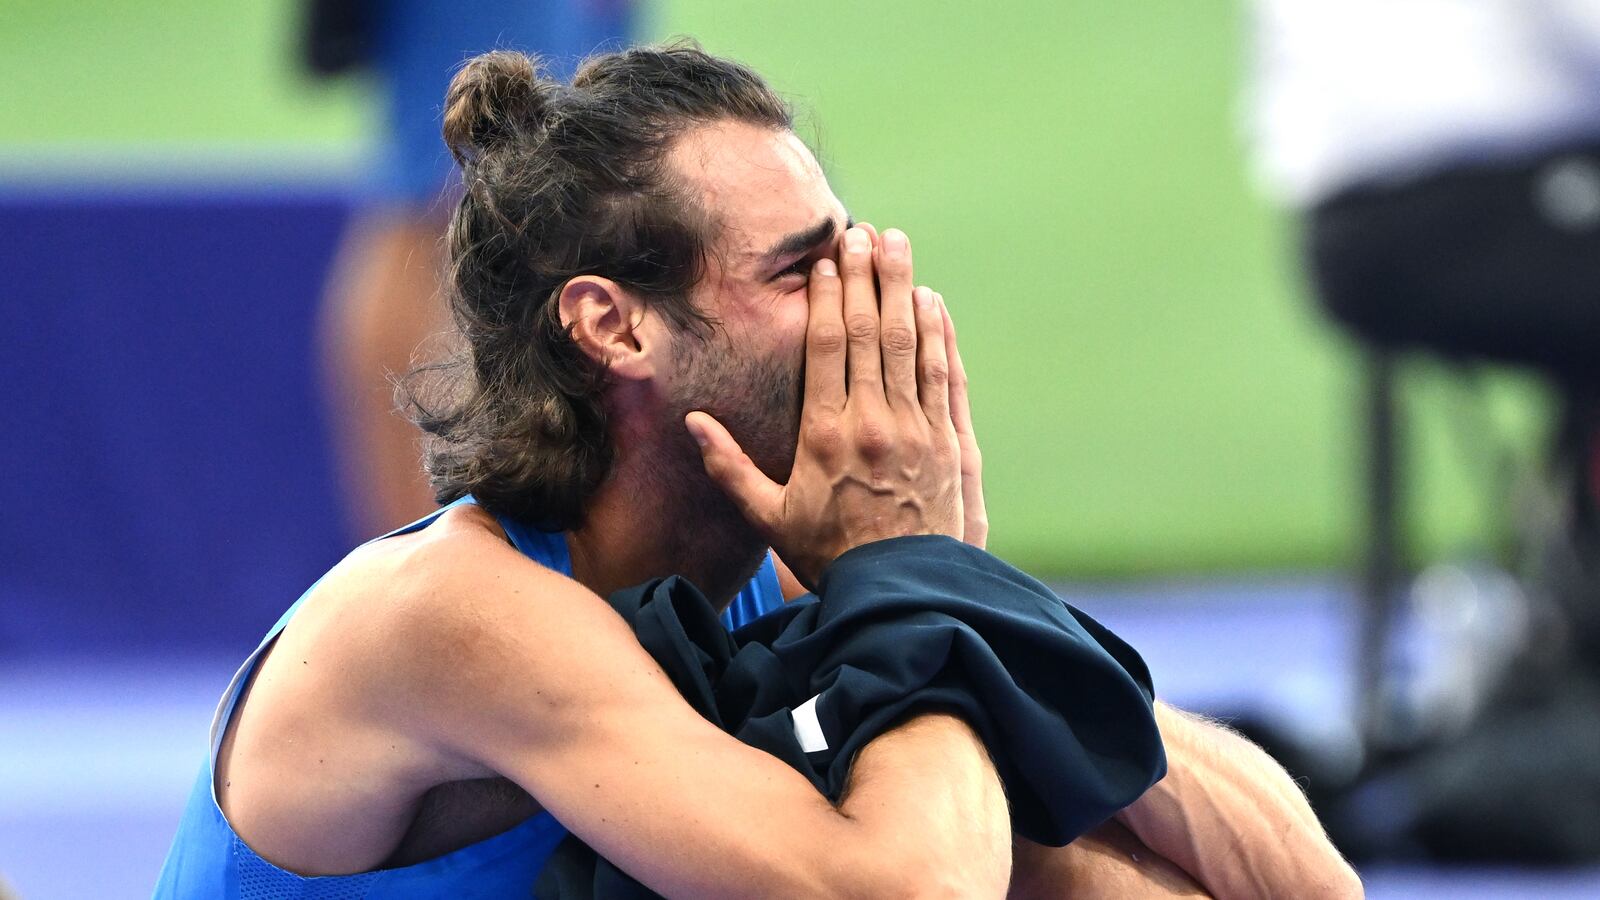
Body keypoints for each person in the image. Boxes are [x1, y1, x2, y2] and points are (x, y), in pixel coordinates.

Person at [158, 45, 1360, 897]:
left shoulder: (774, 557)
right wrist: (912, 576)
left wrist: (963, 592)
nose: (871, 308)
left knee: (1047, 849)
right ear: (614, 326)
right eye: (803, 272)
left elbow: (1302, 883)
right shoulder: (456, 618)